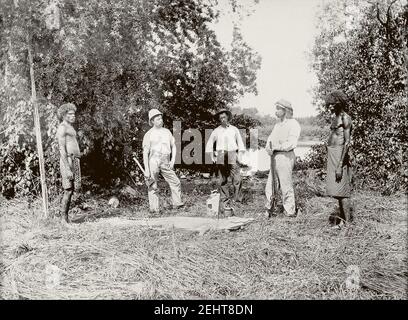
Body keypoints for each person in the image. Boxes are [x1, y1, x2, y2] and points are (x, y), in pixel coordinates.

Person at [142, 108, 184, 215]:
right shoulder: (148, 134)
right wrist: (147, 169)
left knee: (176, 181)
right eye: (158, 119)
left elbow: (174, 146)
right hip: (153, 160)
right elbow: (145, 152)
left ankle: (177, 204)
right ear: (152, 121)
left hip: (166, 160)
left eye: (161, 118)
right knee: (153, 185)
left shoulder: (167, 132)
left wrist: (173, 160)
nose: (161, 120)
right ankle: (154, 210)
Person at [265, 99, 301, 217]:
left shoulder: (293, 124)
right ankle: (270, 208)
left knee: (286, 184)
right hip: (274, 156)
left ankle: (290, 211)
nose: (276, 111)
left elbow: (292, 142)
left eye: (278, 109)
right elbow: (270, 140)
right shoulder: (277, 125)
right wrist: (269, 148)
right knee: (271, 183)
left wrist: (277, 147)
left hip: (286, 156)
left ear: (285, 110)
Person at [205, 109, 246, 213]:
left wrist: (240, 155)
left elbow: (240, 143)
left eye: (224, 117)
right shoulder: (216, 130)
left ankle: (237, 200)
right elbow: (209, 143)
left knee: (237, 178)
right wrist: (212, 156)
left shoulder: (234, 129)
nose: (223, 119)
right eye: (221, 118)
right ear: (219, 119)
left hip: (232, 153)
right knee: (222, 179)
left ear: (228, 117)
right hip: (221, 154)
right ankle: (225, 200)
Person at [325, 90, 353, 227]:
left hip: (340, 155)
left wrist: (340, 164)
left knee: (343, 191)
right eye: (328, 104)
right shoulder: (334, 117)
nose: (329, 106)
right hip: (332, 154)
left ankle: (348, 225)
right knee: (336, 191)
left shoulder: (345, 118)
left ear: (339, 103)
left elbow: (347, 143)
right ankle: (342, 221)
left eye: (332, 104)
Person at [56, 103, 81, 223]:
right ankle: (63, 219)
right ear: (64, 115)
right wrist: (67, 168)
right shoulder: (62, 127)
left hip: (75, 160)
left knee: (72, 190)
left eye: (74, 114)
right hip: (68, 161)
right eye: (70, 114)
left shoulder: (70, 127)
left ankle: (66, 218)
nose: (73, 116)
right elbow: (61, 148)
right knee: (68, 189)